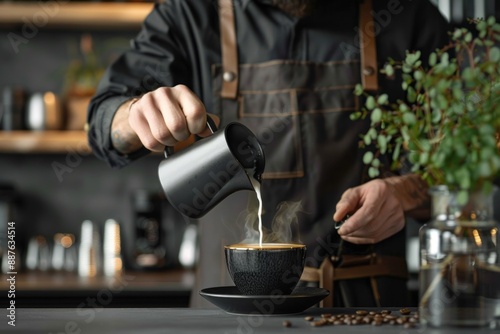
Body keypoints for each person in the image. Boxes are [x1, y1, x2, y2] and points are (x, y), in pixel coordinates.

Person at [87, 0, 450, 308]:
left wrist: (404, 193)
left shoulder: (406, 14)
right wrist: (134, 114)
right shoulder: (191, 13)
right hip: (228, 308)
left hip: (369, 308)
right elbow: (102, 125)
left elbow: (469, 171)